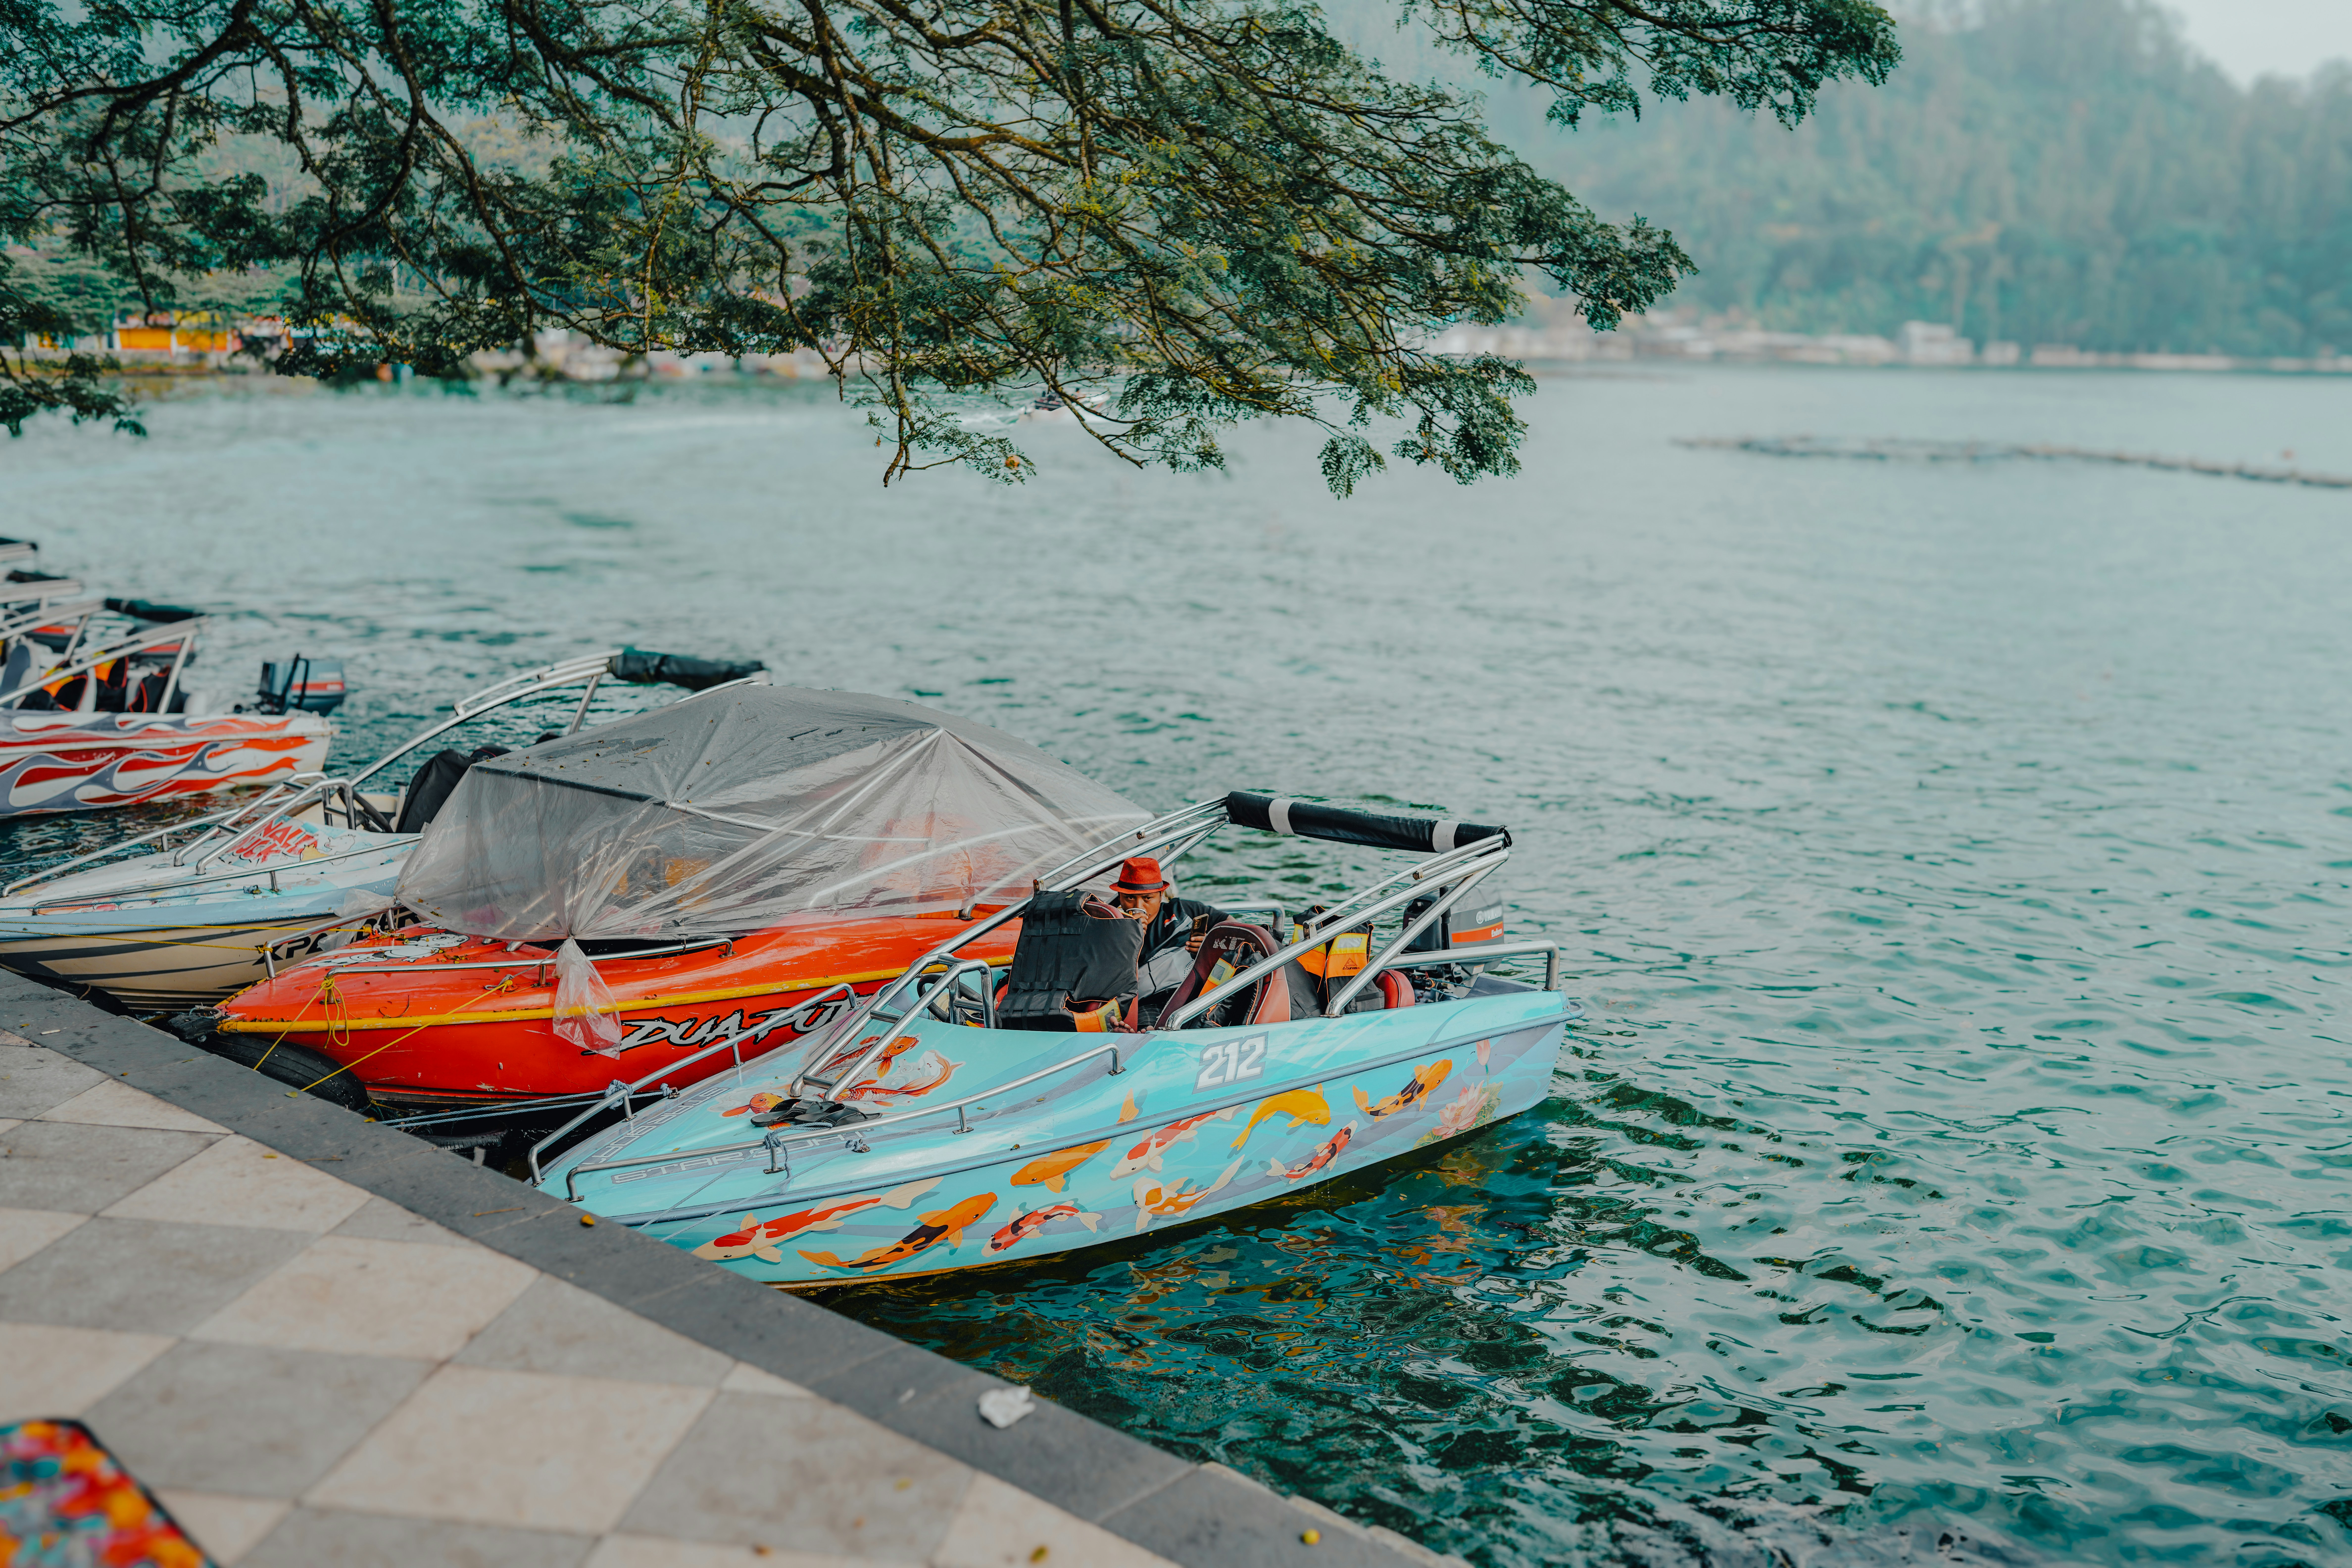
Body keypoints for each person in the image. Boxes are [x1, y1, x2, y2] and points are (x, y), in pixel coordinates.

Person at [1109, 857, 1225, 1016]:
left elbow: (1235, 930)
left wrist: (1210, 946)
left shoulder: (1184, 911)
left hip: (1197, 992)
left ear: (1161, 895)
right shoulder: (1109, 925)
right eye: (1130, 898)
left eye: (1148, 898)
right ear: (1120, 895)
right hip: (1148, 1002)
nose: (1139, 907)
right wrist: (1130, 939)